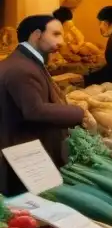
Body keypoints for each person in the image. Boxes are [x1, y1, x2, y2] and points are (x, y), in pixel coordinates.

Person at [0, 15, 87, 195]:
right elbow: (35, 110)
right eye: (55, 34)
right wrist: (79, 113)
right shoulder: (21, 68)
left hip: (27, 155)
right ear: (37, 34)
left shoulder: (27, 62)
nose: (62, 42)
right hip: (24, 160)